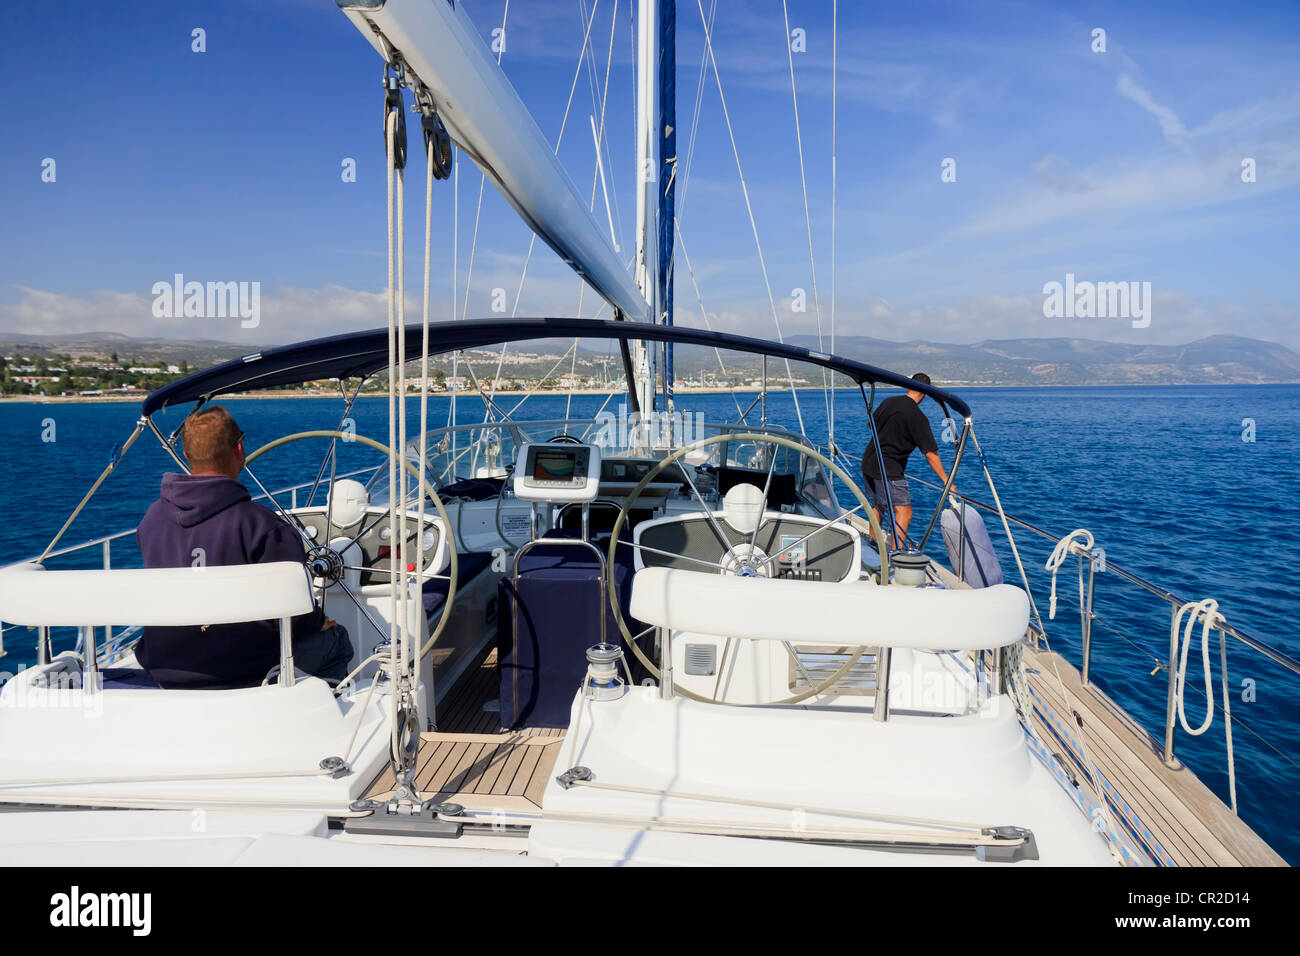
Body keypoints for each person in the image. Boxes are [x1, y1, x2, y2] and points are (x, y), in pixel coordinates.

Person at [134, 405, 353, 688]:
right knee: (337, 641)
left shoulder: (151, 520)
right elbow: (295, 612)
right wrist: (317, 622)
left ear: (187, 455)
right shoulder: (263, 527)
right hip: (245, 673)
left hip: (165, 668)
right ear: (240, 449)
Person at [861, 373, 950, 550]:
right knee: (904, 512)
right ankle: (896, 555)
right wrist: (947, 481)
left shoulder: (889, 402)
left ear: (909, 386)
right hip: (890, 469)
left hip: (869, 462)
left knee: (879, 504)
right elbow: (931, 454)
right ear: (926, 392)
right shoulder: (917, 416)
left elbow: (871, 425)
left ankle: (872, 545)